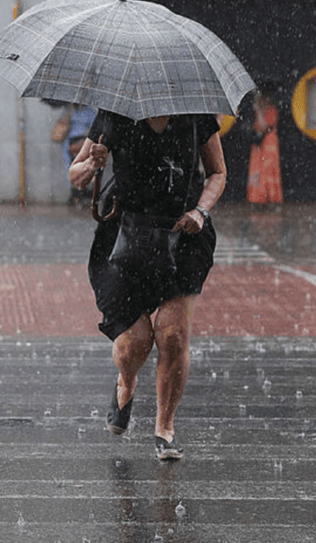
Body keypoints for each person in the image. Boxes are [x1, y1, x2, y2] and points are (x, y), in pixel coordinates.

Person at [69, 112, 225, 460]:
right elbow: (75, 177)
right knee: (134, 345)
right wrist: (93, 165)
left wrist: (201, 210)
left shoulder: (196, 116)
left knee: (172, 334)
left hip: (184, 234)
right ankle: (126, 382)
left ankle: (164, 429)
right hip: (125, 236)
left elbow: (218, 172)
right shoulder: (115, 116)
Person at [247, 90, 283, 205]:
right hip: (259, 144)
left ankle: (269, 196)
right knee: (257, 169)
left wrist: (258, 111)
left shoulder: (271, 110)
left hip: (268, 143)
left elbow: (264, 126)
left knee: (267, 170)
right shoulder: (262, 111)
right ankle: (258, 196)